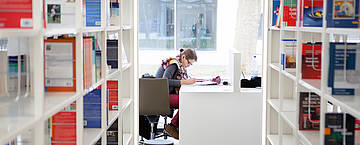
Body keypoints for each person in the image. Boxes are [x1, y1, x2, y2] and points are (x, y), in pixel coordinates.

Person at [155, 48, 197, 139]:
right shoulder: (173, 65)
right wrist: (184, 82)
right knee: (187, 101)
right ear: (183, 57)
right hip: (161, 96)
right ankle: (172, 126)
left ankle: (175, 126)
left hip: (166, 94)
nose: (189, 65)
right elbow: (165, 81)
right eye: (189, 63)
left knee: (188, 100)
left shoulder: (179, 66)